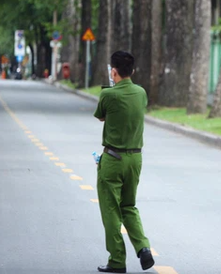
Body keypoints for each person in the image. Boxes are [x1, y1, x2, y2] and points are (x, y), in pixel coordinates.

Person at [93, 51, 155, 273]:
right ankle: (143, 248)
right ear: (133, 71)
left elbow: (101, 116)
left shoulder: (108, 95)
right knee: (129, 206)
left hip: (113, 158)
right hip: (135, 159)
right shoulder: (141, 93)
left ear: (113, 71)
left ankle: (117, 260)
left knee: (111, 208)